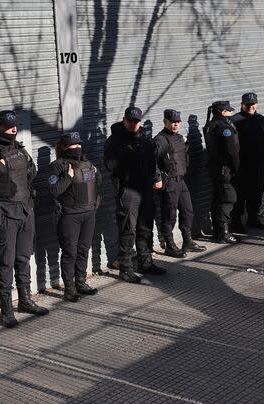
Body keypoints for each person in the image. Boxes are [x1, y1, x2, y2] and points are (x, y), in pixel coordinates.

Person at [0, 110, 48, 327]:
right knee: (5, 262)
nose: (13, 129)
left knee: (24, 258)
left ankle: (25, 300)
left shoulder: (20, 148)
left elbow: (30, 174)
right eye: (8, 126)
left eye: (15, 125)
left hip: (26, 210)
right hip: (5, 212)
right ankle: (6, 308)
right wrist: (0, 166)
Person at [104, 106, 166, 283]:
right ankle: (125, 267)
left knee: (145, 227)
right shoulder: (115, 141)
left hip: (145, 188)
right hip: (128, 191)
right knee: (127, 230)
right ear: (124, 120)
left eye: (136, 121)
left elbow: (152, 161)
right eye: (130, 121)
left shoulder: (143, 139)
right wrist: (125, 152)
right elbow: (110, 165)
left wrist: (156, 178)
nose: (133, 124)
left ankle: (145, 262)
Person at [48, 132, 100, 302]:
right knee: (70, 252)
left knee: (84, 250)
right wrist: (68, 177)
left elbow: (95, 183)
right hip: (70, 216)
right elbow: (54, 191)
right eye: (73, 144)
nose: (77, 147)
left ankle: (81, 282)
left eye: (79, 144)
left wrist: (96, 173)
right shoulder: (57, 166)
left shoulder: (87, 162)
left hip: (88, 213)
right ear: (64, 147)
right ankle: (69, 288)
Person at [154, 109, 207, 257]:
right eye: (172, 122)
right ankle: (170, 246)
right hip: (169, 182)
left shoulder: (179, 138)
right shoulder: (160, 140)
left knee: (188, 210)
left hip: (180, 181)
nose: (175, 124)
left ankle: (187, 241)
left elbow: (182, 156)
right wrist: (157, 179)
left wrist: (187, 143)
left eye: (177, 122)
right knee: (169, 215)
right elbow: (153, 162)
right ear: (165, 122)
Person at [230, 92, 264, 232]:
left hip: (259, 163)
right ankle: (236, 223)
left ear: (257, 103)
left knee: (256, 193)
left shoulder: (260, 119)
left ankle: (253, 219)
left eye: (253, 104)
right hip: (242, 166)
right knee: (240, 195)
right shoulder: (235, 120)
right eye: (248, 104)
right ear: (242, 104)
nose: (251, 107)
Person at [203, 101, 240, 244]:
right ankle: (223, 233)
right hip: (225, 169)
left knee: (218, 198)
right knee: (228, 198)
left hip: (215, 168)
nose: (231, 113)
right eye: (228, 111)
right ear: (222, 112)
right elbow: (232, 152)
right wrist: (236, 168)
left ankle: (218, 231)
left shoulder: (211, 125)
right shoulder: (225, 128)